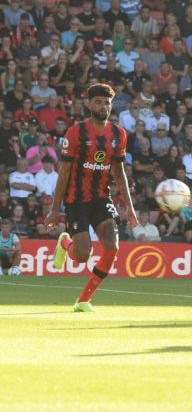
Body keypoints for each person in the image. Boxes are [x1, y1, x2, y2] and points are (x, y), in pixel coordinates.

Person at [44, 83, 138, 313]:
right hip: (76, 199)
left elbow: (119, 172)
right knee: (83, 255)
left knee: (112, 248)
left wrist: (129, 207)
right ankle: (65, 242)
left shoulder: (119, 135)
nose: (103, 106)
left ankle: (84, 300)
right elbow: (64, 172)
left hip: (101, 198)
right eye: (98, 101)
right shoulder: (76, 132)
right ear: (89, 104)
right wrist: (55, 209)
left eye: (107, 102)